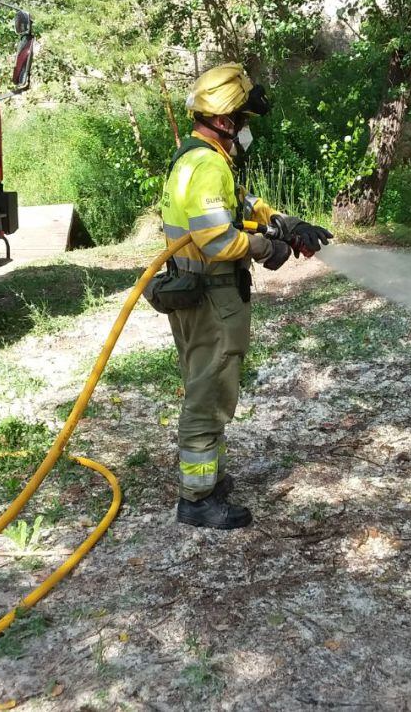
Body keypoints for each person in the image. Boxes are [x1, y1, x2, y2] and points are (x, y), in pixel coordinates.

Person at [158, 63, 332, 530]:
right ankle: (197, 498)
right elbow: (217, 240)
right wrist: (265, 246)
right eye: (244, 122)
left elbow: (241, 202)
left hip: (199, 296)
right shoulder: (208, 163)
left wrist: (287, 224)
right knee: (208, 393)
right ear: (225, 120)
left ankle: (207, 479)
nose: (246, 132)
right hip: (213, 297)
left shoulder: (195, 157)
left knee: (207, 385)